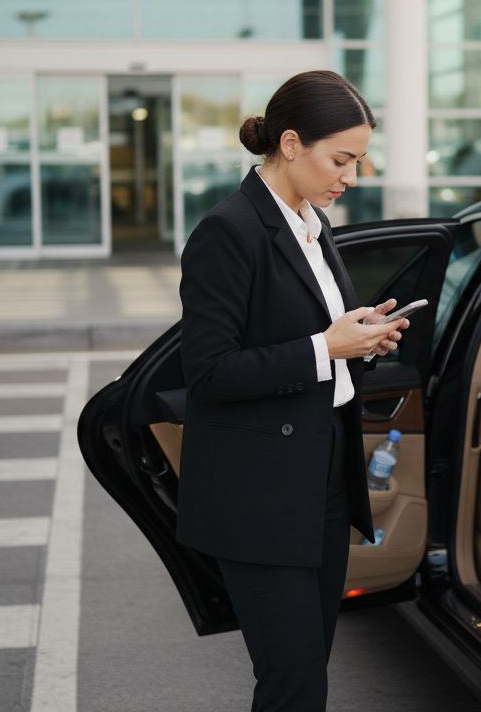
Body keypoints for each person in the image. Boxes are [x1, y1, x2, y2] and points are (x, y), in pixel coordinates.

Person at [176, 70, 407, 711]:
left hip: (324, 475)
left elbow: (314, 337)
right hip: (259, 493)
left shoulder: (311, 220)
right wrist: (325, 348)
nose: (350, 178)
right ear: (290, 143)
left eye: (358, 162)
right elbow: (211, 372)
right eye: (341, 160)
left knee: (309, 665)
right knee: (294, 679)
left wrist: (361, 340)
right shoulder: (229, 232)